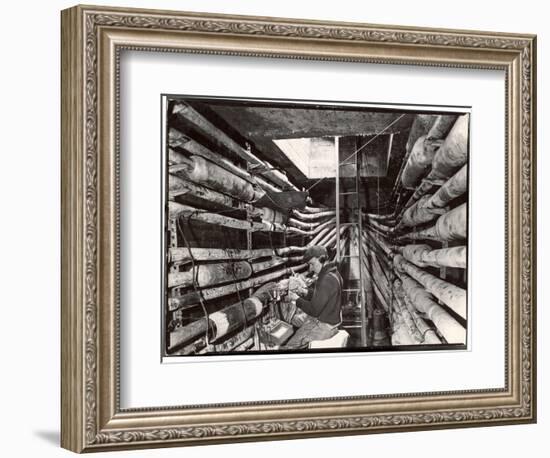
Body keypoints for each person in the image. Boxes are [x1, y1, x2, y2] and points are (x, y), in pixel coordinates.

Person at [283, 245, 343, 349]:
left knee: (289, 346)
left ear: (322, 259)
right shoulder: (334, 273)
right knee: (294, 320)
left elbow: (314, 310)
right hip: (329, 320)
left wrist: (295, 299)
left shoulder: (326, 279)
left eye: (312, 264)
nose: (310, 268)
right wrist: (304, 292)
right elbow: (321, 296)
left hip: (323, 325)